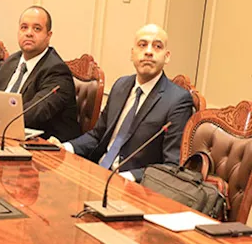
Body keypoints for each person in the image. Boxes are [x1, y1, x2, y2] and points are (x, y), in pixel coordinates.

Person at [51, 24, 193, 182]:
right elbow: (97, 136)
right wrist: (65, 147)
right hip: (96, 173)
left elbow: (170, 166)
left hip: (133, 186)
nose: (148, 51)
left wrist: (129, 177)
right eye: (142, 45)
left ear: (167, 57)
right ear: (132, 54)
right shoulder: (121, 85)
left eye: (157, 46)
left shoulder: (177, 100)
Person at [0, 6, 80, 141]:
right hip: (5, 136)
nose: (29, 33)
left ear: (48, 36)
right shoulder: (11, 62)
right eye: (24, 27)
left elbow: (34, 113)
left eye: (37, 29)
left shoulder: (57, 71)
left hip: (45, 145)